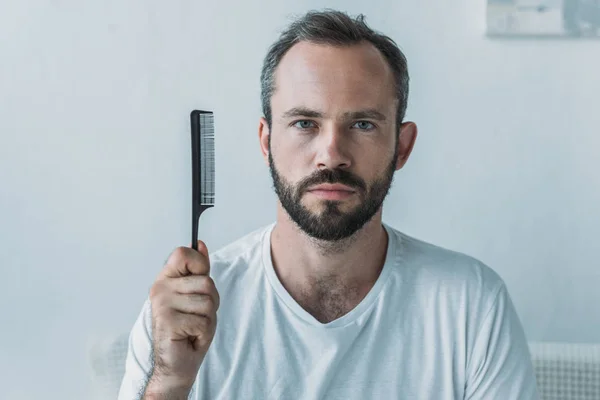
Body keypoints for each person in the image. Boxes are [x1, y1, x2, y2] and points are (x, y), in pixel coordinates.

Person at [118, 9, 539, 400]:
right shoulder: (185, 311)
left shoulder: (471, 304)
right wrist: (170, 382)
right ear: (267, 142)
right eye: (305, 123)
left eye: (362, 124)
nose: (331, 153)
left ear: (402, 146)